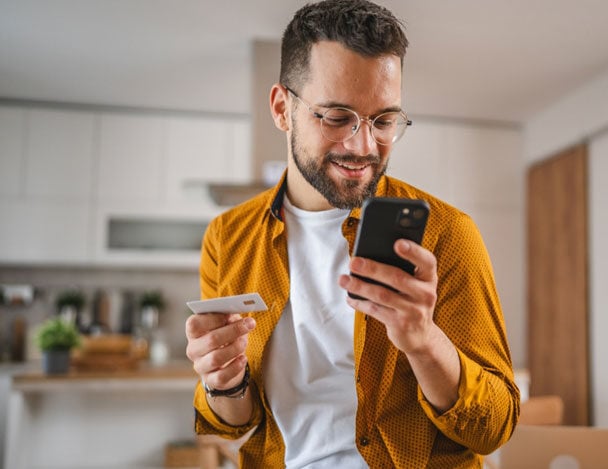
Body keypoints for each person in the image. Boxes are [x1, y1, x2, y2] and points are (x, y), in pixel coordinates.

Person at [185, 0, 519, 467]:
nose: (363, 146)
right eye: (337, 117)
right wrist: (224, 381)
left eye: (383, 120)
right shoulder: (228, 237)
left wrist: (424, 342)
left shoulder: (447, 234)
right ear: (282, 109)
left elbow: (495, 427)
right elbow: (233, 423)